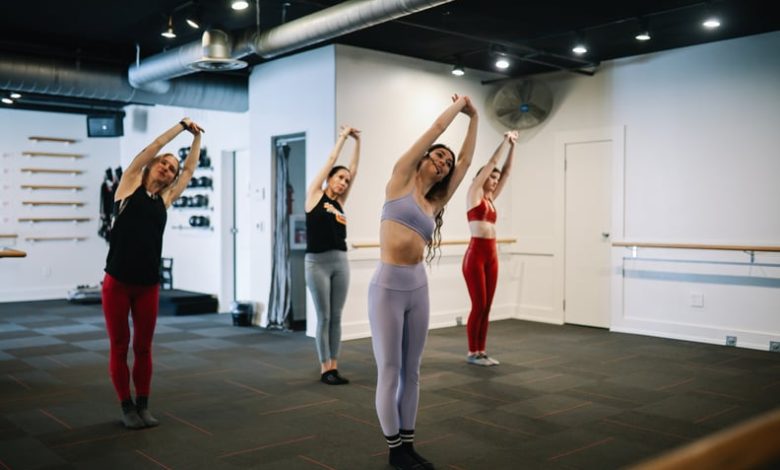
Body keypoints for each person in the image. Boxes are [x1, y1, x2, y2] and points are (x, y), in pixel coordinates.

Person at [369, 95, 478, 470]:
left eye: (446, 163)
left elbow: (466, 163)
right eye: (439, 156)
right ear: (426, 157)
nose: (445, 163)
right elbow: (435, 129)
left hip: (418, 287)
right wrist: (459, 107)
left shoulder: (435, 202)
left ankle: (409, 444)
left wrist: (476, 116)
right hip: (387, 287)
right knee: (389, 369)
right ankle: (394, 449)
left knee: (412, 370)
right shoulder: (400, 178)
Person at [102, 118, 204, 429]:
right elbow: (153, 147)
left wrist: (197, 138)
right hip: (117, 283)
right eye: (164, 163)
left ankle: (143, 405)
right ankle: (126, 406)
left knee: (143, 347)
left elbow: (189, 170)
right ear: (151, 166)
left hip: (148, 285)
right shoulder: (128, 185)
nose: (168, 168)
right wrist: (180, 128)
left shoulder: (165, 200)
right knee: (120, 346)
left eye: (171, 168)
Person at [304, 126, 361, 385]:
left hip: (340, 262)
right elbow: (330, 160)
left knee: (336, 316)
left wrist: (358, 142)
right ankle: (324, 367)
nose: (343, 182)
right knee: (324, 316)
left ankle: (335, 366)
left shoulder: (341, 202)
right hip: (317, 263)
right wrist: (342, 138)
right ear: (329, 178)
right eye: (339, 177)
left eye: (346, 180)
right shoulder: (315, 196)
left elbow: (355, 170)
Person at [462, 130, 517, 367]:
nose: (495, 181)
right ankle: (472, 352)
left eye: (496, 179)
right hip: (475, 255)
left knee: (488, 306)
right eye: (491, 177)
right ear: (481, 178)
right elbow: (494, 163)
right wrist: (504, 141)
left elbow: (506, 171)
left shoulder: (492, 198)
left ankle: (481, 351)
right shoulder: (474, 194)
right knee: (478, 304)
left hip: (491, 255)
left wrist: (514, 145)